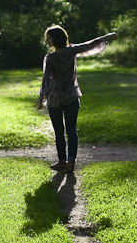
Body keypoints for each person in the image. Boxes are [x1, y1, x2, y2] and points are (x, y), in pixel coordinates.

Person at [36, 25, 119, 172]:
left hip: (55, 99)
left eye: (49, 38)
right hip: (71, 97)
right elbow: (90, 44)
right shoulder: (71, 51)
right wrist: (106, 37)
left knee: (59, 132)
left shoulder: (50, 57)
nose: (47, 41)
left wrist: (40, 97)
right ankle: (70, 162)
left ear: (55, 39)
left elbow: (46, 79)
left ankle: (63, 161)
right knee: (71, 130)